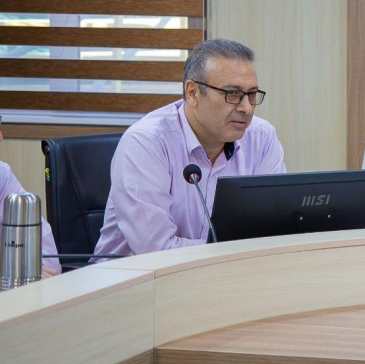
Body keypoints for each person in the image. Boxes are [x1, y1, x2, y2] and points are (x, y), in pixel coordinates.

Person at [92, 39, 285, 260]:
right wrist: (237, 251)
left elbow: (274, 229)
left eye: (251, 94)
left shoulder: (261, 138)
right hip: (133, 276)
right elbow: (156, 249)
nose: (246, 108)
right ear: (192, 92)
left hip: (225, 272)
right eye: (232, 94)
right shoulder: (146, 143)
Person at [0, 115, 60, 276]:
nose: (1, 137)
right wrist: (12, 272)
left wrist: (30, 271)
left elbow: (49, 260)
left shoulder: (1, 175)